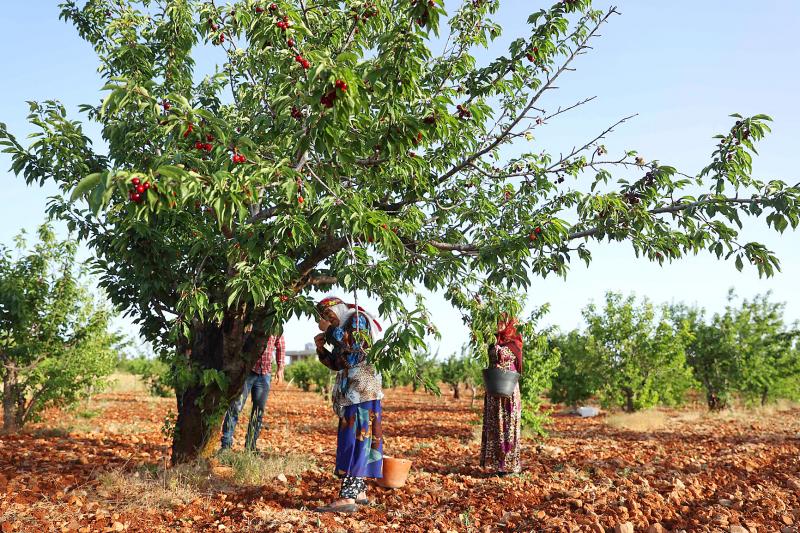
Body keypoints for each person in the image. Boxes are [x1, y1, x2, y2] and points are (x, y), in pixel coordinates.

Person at [314, 297, 384, 514]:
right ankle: (359, 492)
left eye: (329, 315)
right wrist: (321, 349)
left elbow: (354, 354)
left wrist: (328, 331)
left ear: (338, 309)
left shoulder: (356, 319)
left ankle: (347, 497)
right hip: (354, 393)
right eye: (324, 318)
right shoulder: (344, 327)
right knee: (357, 439)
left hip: (361, 391)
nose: (329, 319)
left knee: (355, 440)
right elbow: (339, 364)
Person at [220, 334, 285, 451]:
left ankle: (251, 446)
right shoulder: (252, 322)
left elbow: (281, 345)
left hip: (265, 373)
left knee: (258, 412)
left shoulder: (275, 326)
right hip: (247, 371)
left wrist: (280, 368)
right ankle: (226, 445)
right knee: (235, 407)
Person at [480, 315, 523, 475]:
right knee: (495, 424)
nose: (498, 325)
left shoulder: (514, 343)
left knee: (509, 425)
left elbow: (517, 365)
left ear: (508, 324)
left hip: (509, 388)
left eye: (502, 322)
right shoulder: (492, 340)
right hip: (494, 387)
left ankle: (509, 465)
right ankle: (496, 465)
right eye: (497, 321)